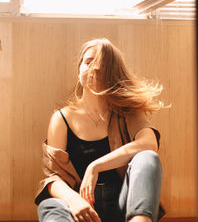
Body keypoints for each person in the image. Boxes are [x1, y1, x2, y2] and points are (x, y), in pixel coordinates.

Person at [35, 38, 166, 222]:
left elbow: (149, 144)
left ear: (113, 72)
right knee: (49, 205)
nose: (94, 68)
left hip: (123, 206)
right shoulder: (61, 119)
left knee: (147, 157)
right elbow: (53, 177)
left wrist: (95, 167)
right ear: (79, 68)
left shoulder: (128, 111)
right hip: (83, 210)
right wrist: (74, 201)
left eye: (103, 64)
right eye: (88, 62)